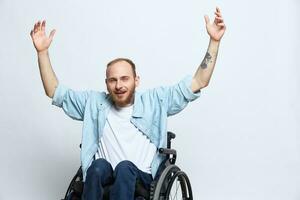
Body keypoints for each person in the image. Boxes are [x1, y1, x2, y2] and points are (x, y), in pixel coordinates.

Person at [30, 7, 226, 200]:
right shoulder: (93, 103)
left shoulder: (155, 100)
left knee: (125, 167)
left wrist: (214, 42)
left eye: (125, 78)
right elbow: (54, 91)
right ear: (106, 83)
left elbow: (199, 82)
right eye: (113, 80)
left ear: (136, 80)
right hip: (104, 177)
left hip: (141, 178)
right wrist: (42, 53)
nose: (119, 85)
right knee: (96, 167)